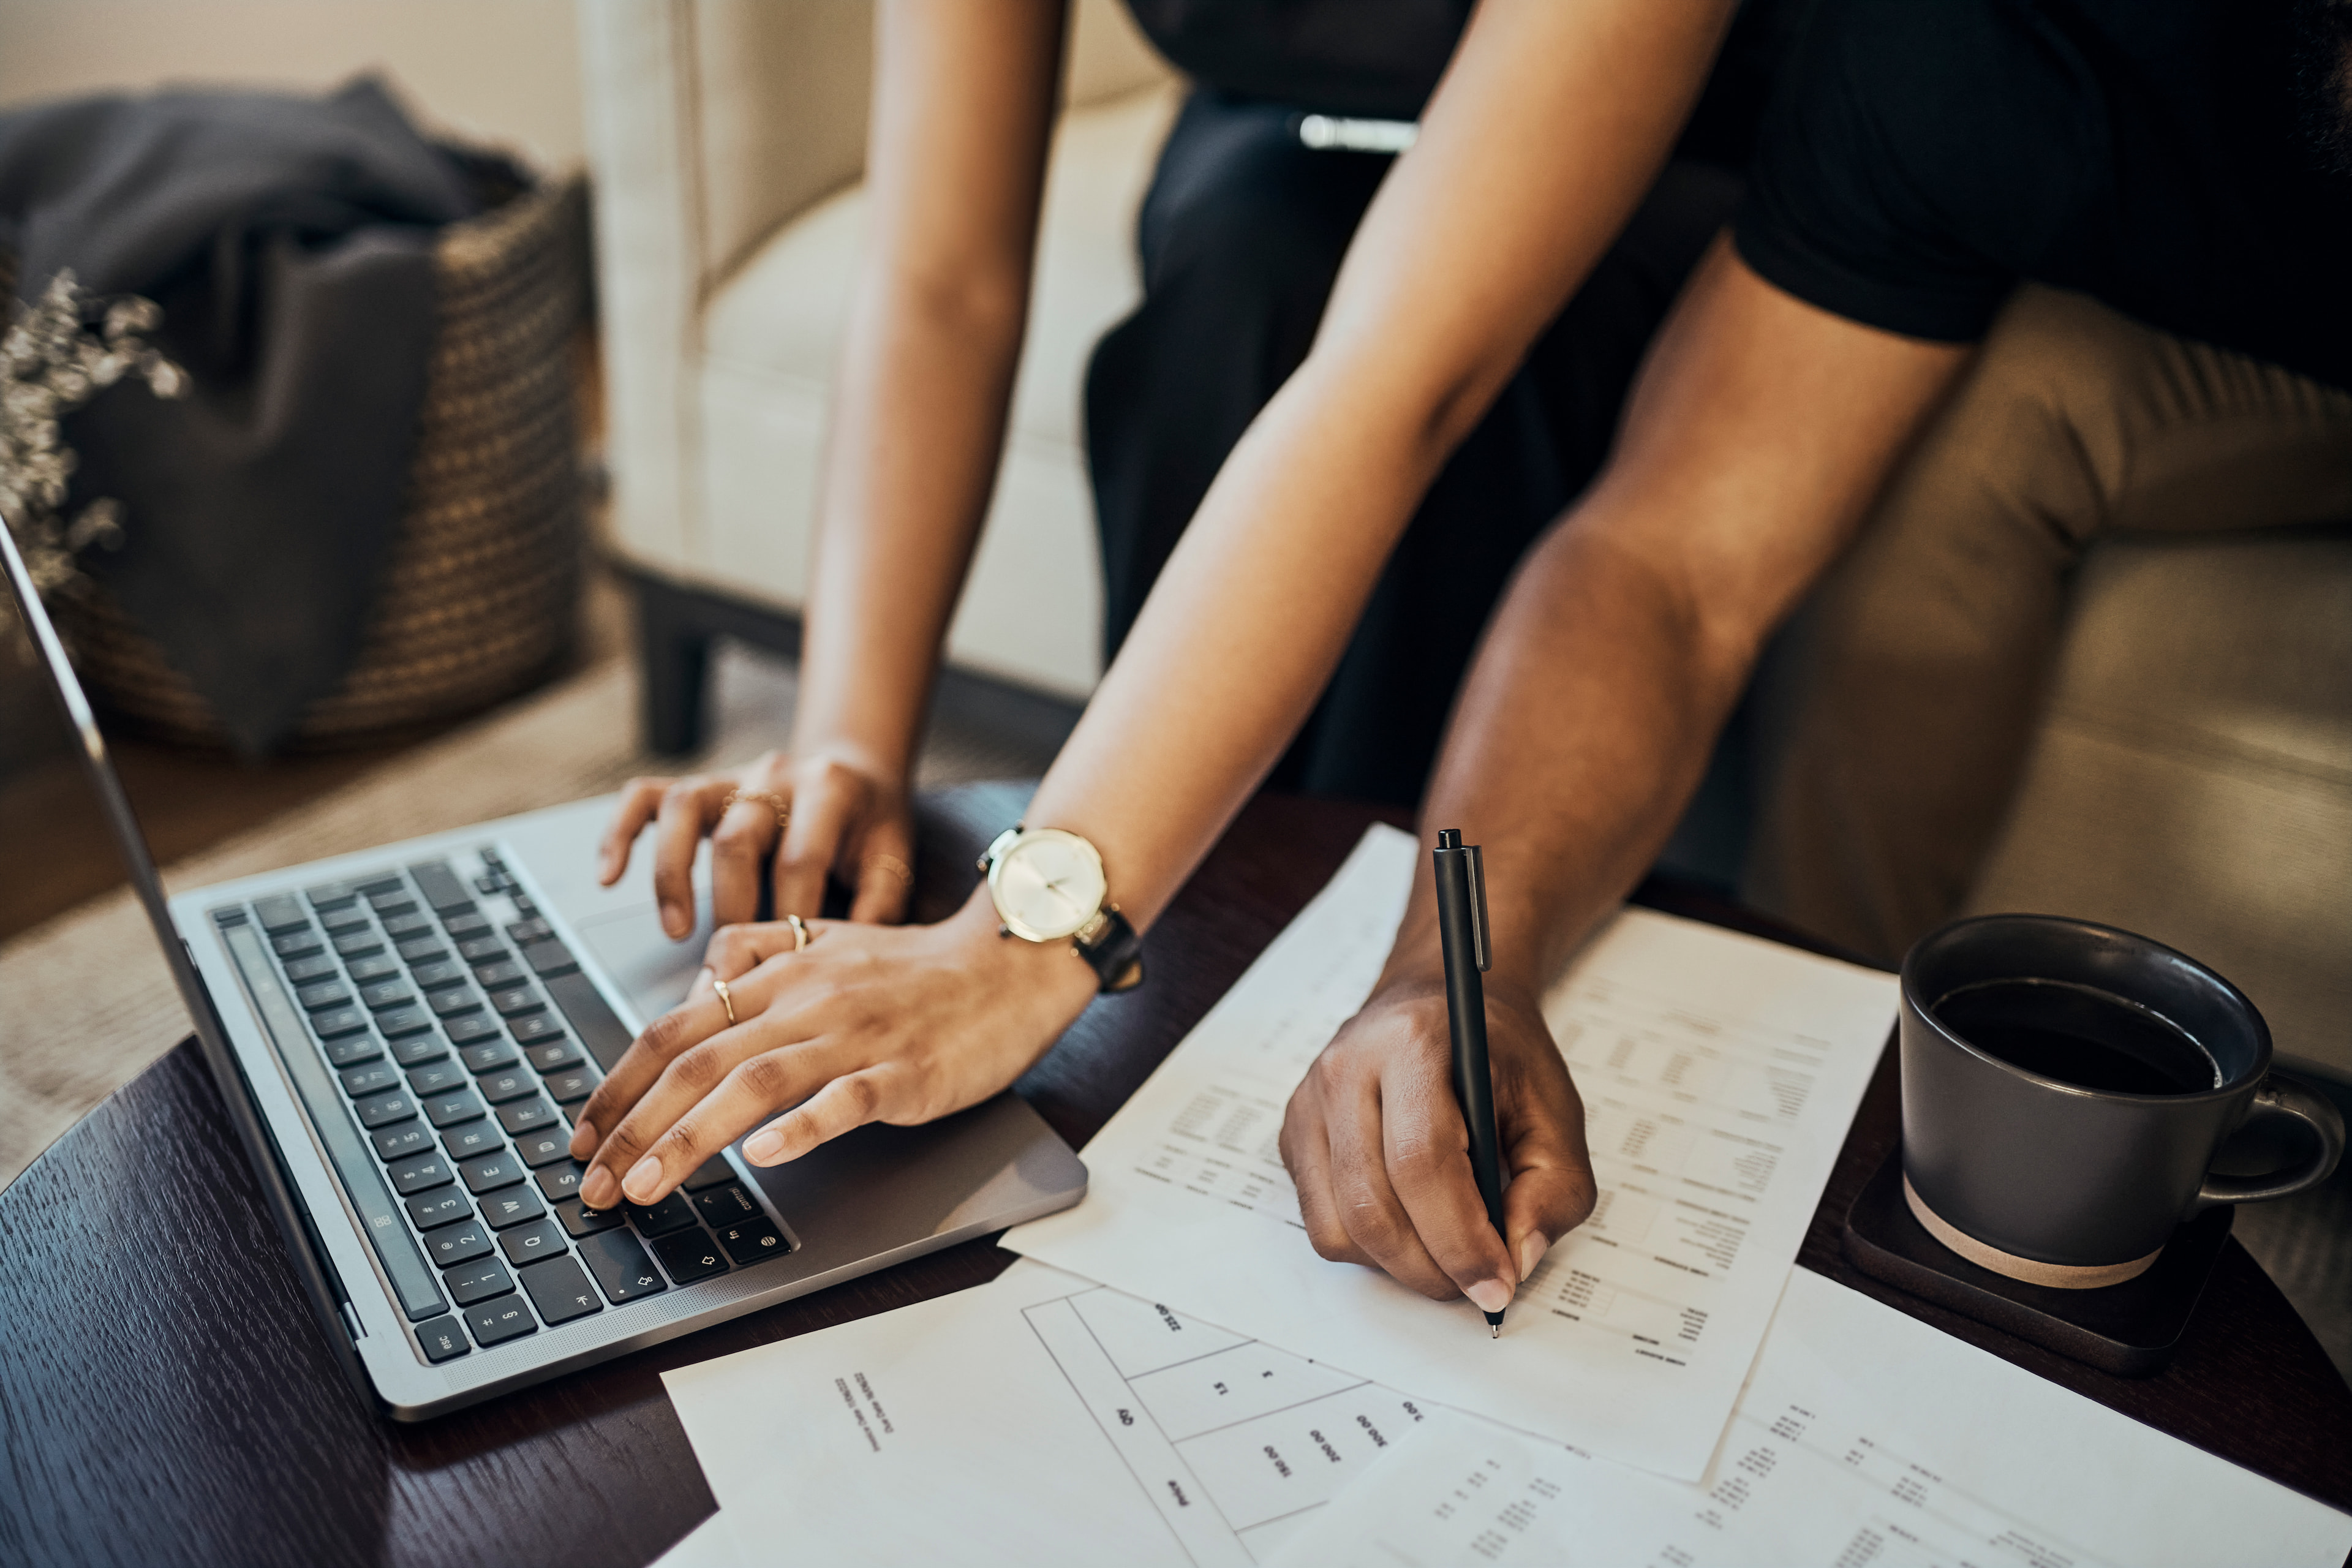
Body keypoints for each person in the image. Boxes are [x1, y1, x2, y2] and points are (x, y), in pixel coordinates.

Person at [573, 0, 1763, 1232]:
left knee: (1507, 382)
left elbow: (1403, 372)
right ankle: (1185, 970)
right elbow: (941, 276)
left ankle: (1415, 993)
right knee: (1242, 265)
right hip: (1271, 155)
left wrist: (1024, 938)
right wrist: (847, 745)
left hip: (1661, 141)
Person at [1278, 0, 2352, 1303]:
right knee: (1963, 442)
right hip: (2270, 331)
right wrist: (1458, 975)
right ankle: (1836, 1108)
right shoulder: (1965, 52)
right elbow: (1666, 563)